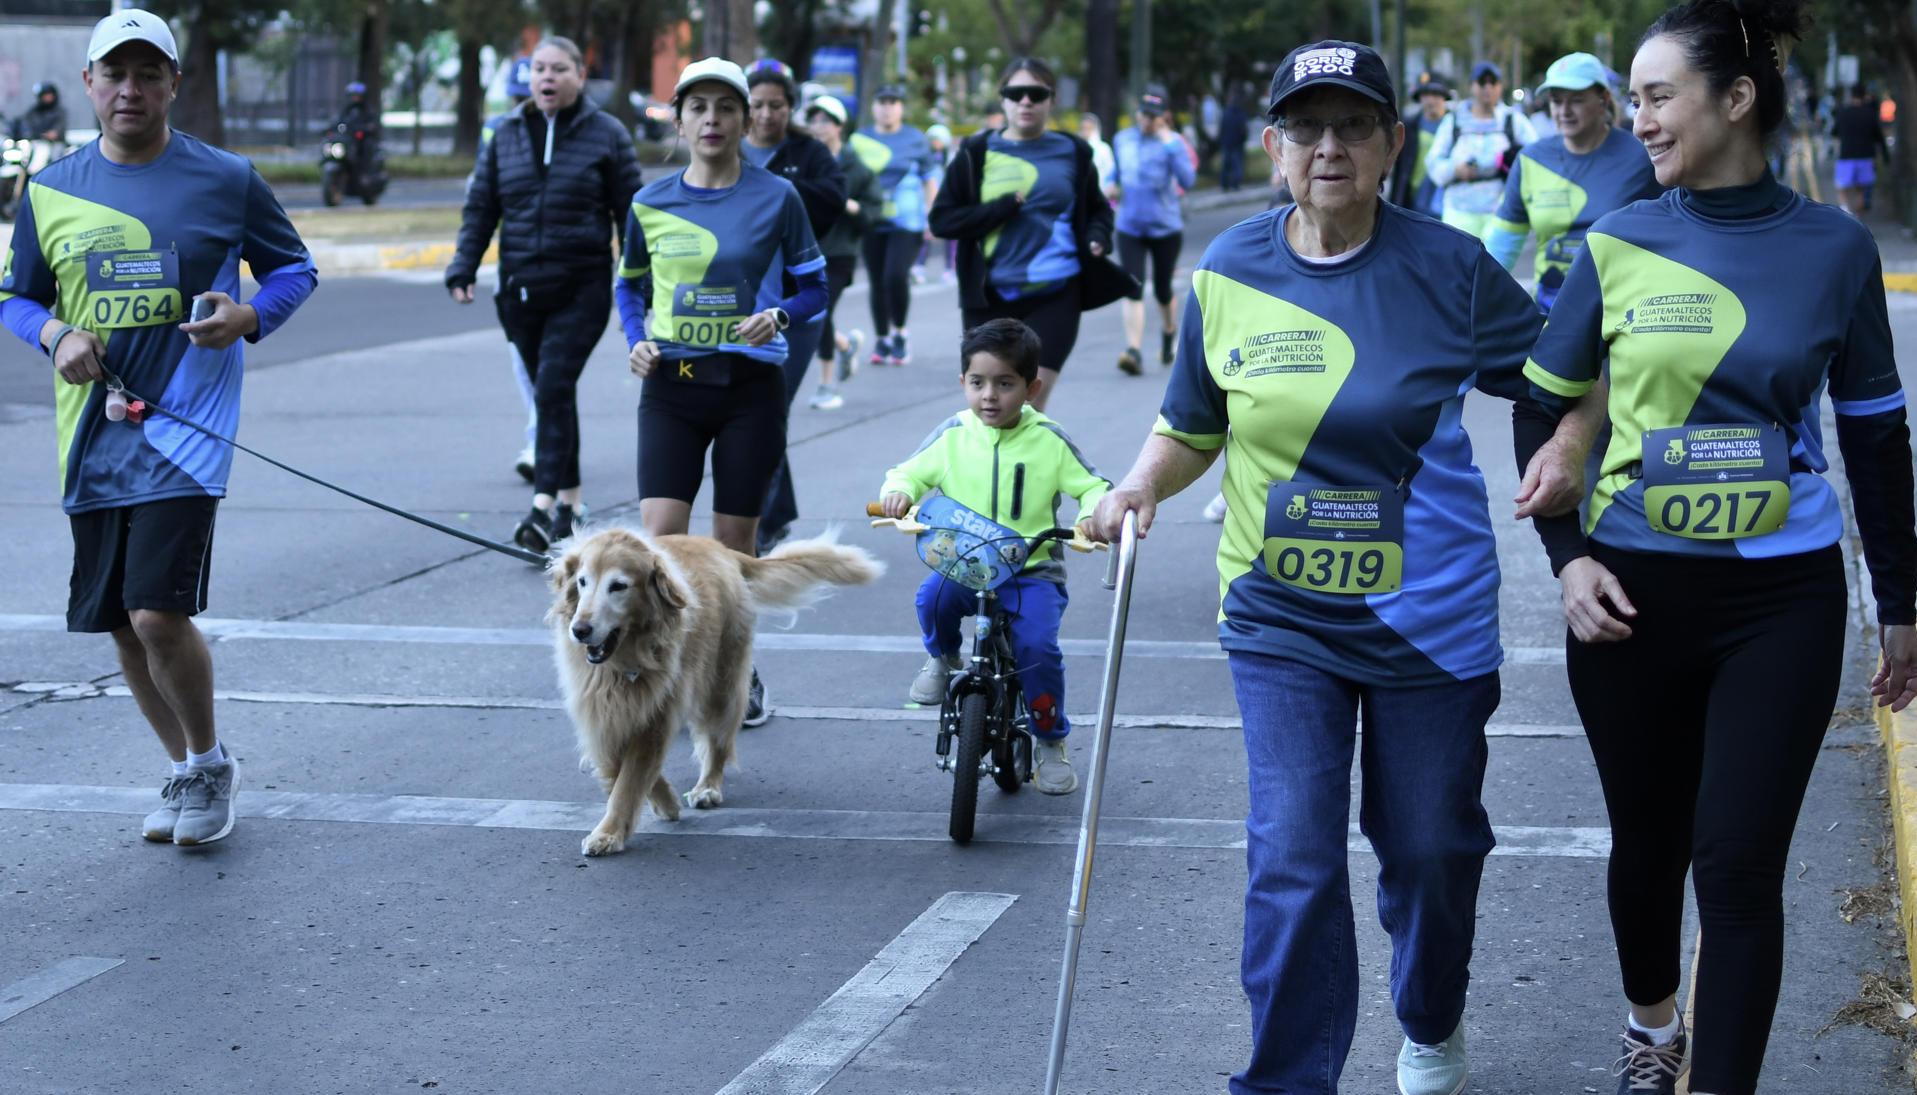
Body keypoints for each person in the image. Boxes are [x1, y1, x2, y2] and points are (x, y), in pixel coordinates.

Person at [1085, 40, 1592, 1095]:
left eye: (1353, 125)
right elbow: (1193, 421)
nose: (1329, 147)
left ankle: (1430, 1016)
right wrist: (1138, 486)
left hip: (1430, 618)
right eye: (1306, 128)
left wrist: (1572, 443)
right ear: (1272, 148)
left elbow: (1565, 370)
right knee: (1294, 857)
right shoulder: (1228, 269)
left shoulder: (1448, 269)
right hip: (1280, 615)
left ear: (1392, 145)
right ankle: (1286, 1081)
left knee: (1433, 853)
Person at [1516, 2, 1917, 1091]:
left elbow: (1877, 437)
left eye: (1655, 96)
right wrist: (1570, 559)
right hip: (1631, 594)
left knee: (1737, 866)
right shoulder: (1622, 239)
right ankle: (1654, 1034)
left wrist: (1905, 604)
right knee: (1647, 852)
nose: (1637, 119)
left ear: (1735, 99)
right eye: (1633, 98)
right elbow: (1542, 406)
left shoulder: (1834, 249)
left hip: (1779, 601)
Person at [0, 10, 317, 847]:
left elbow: (295, 268)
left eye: (149, 74)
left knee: (154, 614)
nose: (130, 90)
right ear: (90, 84)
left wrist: (247, 314)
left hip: (186, 433)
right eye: (116, 74)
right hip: (90, 438)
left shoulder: (225, 177)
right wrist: (55, 334)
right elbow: (15, 294)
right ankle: (188, 765)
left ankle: (209, 762)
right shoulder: (52, 189)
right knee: (115, 620)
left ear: (175, 84)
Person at [616, 57, 828, 729]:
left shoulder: (777, 197)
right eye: (698, 107)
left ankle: (737, 671)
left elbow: (813, 286)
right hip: (671, 388)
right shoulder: (649, 202)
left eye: (725, 107)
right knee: (661, 546)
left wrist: (781, 315)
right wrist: (634, 338)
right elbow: (627, 283)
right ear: (678, 120)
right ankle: (659, 667)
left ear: (744, 120)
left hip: (748, 388)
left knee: (734, 552)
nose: (711, 119)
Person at [878, 318, 1110, 794]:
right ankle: (943, 659)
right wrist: (898, 493)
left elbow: (1094, 487)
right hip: (963, 562)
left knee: (1038, 649)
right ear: (962, 382)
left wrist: (1091, 517)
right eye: (978, 382)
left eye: (1005, 384)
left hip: (1031, 571)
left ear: (1031, 388)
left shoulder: (1050, 438)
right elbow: (907, 472)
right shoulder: (952, 435)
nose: (990, 396)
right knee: (932, 600)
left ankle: (1050, 742)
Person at [445, 36, 642, 554]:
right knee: (552, 396)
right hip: (519, 291)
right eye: (538, 69)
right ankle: (572, 505)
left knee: (553, 386)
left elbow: (632, 218)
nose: (547, 78)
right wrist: (463, 265)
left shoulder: (607, 134)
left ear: (580, 74)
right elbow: (482, 206)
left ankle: (542, 507)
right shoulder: (504, 134)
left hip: (582, 287)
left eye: (558, 69)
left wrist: (637, 291)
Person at [929, 57, 1132, 411]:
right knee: (990, 409)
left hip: (1055, 291)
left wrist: (1097, 236)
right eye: (1016, 93)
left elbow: (1098, 209)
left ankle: (1026, 468)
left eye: (1035, 94)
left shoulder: (1074, 151)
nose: (1025, 102)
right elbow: (942, 221)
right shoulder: (976, 153)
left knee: (1026, 407)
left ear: (1051, 100)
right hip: (989, 296)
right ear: (1003, 98)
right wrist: (1000, 208)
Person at [744, 59, 847, 554]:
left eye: (776, 106)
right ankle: (778, 510)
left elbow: (831, 204)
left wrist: (777, 189)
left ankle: (762, 520)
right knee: (757, 407)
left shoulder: (807, 153)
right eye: (758, 105)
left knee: (769, 404)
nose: (766, 115)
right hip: (737, 302)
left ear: (791, 108)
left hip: (796, 304)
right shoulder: (726, 148)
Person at [1486, 52, 1662, 310]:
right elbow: (1500, 248)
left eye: (1576, 100)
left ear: (1603, 99)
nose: (1564, 111)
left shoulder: (1642, 155)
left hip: (1624, 311)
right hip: (1551, 311)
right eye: (1556, 101)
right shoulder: (1531, 159)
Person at [477, 57, 538, 485]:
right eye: (517, 97)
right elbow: (481, 195)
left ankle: (543, 445)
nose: (522, 105)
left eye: (527, 96)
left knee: (552, 371)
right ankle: (545, 439)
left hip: (564, 272)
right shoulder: (498, 130)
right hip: (514, 266)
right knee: (523, 362)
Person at [848, 83, 939, 366]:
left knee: (894, 275)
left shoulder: (915, 139)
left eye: (893, 102)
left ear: (901, 107)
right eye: (882, 102)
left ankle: (900, 332)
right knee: (876, 280)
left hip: (907, 221)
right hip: (871, 219)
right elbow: (850, 178)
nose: (887, 107)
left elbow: (928, 178)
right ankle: (882, 337)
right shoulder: (860, 139)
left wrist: (931, 215)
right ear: (874, 107)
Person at [804, 94, 882, 411]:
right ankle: (845, 344)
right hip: (807, 251)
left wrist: (851, 206)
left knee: (820, 311)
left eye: (825, 120)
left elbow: (873, 212)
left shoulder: (857, 168)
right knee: (813, 312)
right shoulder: (806, 162)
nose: (818, 126)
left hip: (840, 252)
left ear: (839, 126)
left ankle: (826, 386)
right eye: (814, 120)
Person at [1112, 88, 1196, 374]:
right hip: (1130, 226)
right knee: (1132, 285)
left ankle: (1169, 331)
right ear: (1137, 113)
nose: (1147, 120)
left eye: (1154, 116)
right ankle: (1133, 350)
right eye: (1144, 114)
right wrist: (1111, 184)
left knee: (1162, 289)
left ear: (1164, 118)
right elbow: (1115, 172)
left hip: (1165, 227)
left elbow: (1187, 179)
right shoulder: (1122, 139)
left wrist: (1169, 144)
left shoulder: (1173, 142)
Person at [1425, 61, 1537, 241]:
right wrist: (1455, 169)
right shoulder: (1453, 121)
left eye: (1493, 82)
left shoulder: (1514, 121)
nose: (1488, 88)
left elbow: (1536, 157)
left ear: (1501, 86)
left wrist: (1512, 164)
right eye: (1482, 82)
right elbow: (1433, 162)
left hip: (1501, 213)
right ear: (1471, 86)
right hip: (1459, 212)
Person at [1387, 76, 1449, 215]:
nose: (1431, 100)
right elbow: (1400, 168)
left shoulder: (1454, 126)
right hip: (1415, 199)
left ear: (1444, 97)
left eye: (1436, 95)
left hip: (1445, 197)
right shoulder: (1409, 126)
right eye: (1426, 95)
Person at [1832, 83, 1888, 216]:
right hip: (1866, 157)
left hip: (1846, 156)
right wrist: (1886, 155)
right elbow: (1879, 137)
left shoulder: (1843, 112)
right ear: (1865, 95)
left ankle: (1845, 210)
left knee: (1842, 187)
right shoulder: (1870, 113)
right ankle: (1857, 216)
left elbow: (1834, 133)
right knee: (1861, 189)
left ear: (1851, 96)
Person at [1079, 112, 1117, 199]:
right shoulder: (1077, 148)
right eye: (1083, 128)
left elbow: (1110, 172)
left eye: (1088, 128)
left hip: (1100, 194)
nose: (1085, 132)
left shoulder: (1103, 149)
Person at [1218, 93, 1250, 190]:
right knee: (1237, 165)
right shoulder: (1240, 114)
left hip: (1227, 143)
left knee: (1226, 165)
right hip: (1237, 143)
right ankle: (1235, 184)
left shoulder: (1225, 113)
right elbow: (1243, 130)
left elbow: (1222, 128)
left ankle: (1225, 184)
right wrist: (1243, 139)